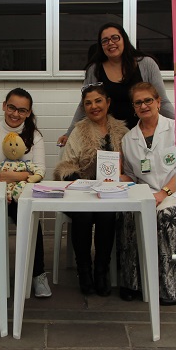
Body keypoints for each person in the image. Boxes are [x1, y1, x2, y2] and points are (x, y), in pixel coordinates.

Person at [120, 82, 176, 304]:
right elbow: (132, 176)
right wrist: (115, 178)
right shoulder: (128, 139)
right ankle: (134, 283)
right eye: (138, 103)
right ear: (134, 108)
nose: (144, 106)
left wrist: (164, 192)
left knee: (166, 216)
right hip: (147, 194)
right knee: (128, 214)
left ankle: (175, 288)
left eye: (148, 100)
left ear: (158, 102)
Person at [0, 88, 51, 299]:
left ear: (28, 112)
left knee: (30, 214)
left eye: (22, 110)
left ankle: (38, 274)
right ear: (4, 106)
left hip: (22, 193)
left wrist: (12, 177)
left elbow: (40, 170)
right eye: (11, 107)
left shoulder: (35, 136)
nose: (15, 114)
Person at [54, 84, 128, 296]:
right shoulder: (79, 131)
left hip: (110, 194)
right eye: (88, 103)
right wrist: (84, 184)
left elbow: (130, 167)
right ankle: (84, 270)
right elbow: (65, 167)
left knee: (107, 214)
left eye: (98, 101)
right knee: (84, 214)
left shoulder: (122, 132)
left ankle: (101, 271)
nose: (94, 106)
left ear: (108, 103)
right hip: (81, 194)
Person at [57, 22, 175, 146]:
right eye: (105, 41)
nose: (110, 43)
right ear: (101, 46)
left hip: (145, 133)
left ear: (124, 39)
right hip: (111, 138)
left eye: (115, 38)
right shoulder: (95, 70)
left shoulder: (147, 64)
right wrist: (69, 133)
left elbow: (163, 101)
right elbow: (84, 104)